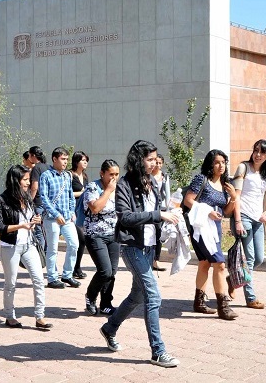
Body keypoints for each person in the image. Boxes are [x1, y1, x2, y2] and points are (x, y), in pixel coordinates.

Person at [99, 140, 182, 368]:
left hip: (148, 247)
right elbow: (125, 217)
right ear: (138, 159)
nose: (154, 162)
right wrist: (158, 215)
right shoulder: (124, 184)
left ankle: (110, 327)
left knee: (137, 296)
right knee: (153, 297)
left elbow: (156, 214)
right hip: (132, 247)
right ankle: (158, 351)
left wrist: (168, 213)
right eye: (149, 159)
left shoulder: (152, 182)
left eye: (155, 158)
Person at [183, 150, 238, 320]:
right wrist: (208, 212)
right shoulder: (202, 180)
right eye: (217, 162)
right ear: (210, 164)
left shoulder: (225, 184)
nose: (221, 166)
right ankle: (223, 306)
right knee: (220, 265)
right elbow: (188, 200)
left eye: (223, 162)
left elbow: (226, 212)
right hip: (201, 229)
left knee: (205, 263)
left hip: (215, 230)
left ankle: (198, 302)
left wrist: (234, 197)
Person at [0, 165, 51, 329]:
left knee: (39, 279)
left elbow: (30, 218)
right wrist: (21, 226)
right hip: (10, 246)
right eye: (25, 179)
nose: (28, 183)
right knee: (10, 283)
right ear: (15, 180)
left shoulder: (26, 197)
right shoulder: (1, 200)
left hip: (29, 244)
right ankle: (10, 316)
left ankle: (40, 317)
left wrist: (35, 220)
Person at [230, 139, 266, 310]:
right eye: (256, 150)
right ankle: (250, 298)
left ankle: (235, 277)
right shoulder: (244, 168)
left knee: (259, 258)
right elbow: (236, 196)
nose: (258, 155)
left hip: (259, 219)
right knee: (249, 259)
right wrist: (238, 221)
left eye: (262, 152)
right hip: (243, 217)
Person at [40, 147, 81, 289]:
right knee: (53, 249)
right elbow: (44, 198)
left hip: (67, 218)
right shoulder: (46, 176)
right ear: (54, 159)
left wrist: (71, 211)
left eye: (66, 159)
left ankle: (67, 274)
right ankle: (52, 278)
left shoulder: (67, 176)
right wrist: (56, 214)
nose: (65, 162)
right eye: (63, 159)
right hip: (52, 219)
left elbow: (70, 195)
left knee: (74, 244)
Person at [83, 159, 120, 316]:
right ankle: (90, 297)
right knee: (104, 271)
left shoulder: (119, 188)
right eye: (111, 174)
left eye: (117, 174)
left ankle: (106, 303)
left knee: (112, 272)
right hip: (95, 234)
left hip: (114, 235)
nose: (114, 178)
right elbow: (96, 208)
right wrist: (108, 191)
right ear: (102, 173)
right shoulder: (93, 187)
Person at [69, 150, 90, 280]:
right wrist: (82, 192)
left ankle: (75, 267)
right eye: (83, 160)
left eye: (86, 160)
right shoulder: (70, 175)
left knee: (81, 241)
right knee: (80, 240)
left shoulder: (85, 176)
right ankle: (74, 268)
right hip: (72, 211)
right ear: (76, 161)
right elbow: (68, 193)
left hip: (83, 211)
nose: (85, 162)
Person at [150, 153, 170, 272]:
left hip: (161, 209)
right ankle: (148, 258)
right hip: (150, 209)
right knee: (149, 233)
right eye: (156, 162)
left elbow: (167, 194)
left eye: (159, 163)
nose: (157, 165)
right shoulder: (147, 176)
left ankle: (156, 260)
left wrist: (168, 209)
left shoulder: (164, 176)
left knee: (158, 234)